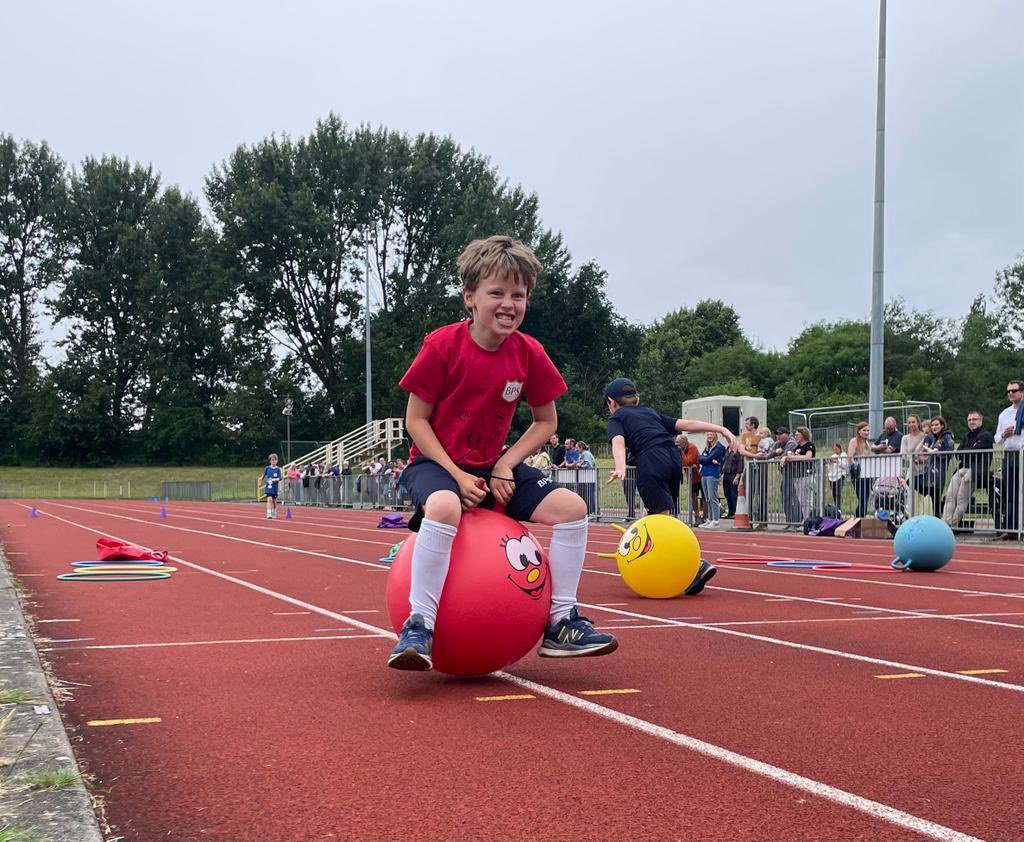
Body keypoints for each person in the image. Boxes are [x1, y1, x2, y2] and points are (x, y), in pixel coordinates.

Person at [388, 235, 618, 671]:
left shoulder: (529, 353)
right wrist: (457, 477)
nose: (509, 303)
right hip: (436, 465)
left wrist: (507, 463)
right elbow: (415, 421)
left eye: (519, 294)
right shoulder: (442, 345)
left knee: (571, 507)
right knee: (443, 505)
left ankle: (561, 622)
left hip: (493, 468)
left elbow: (546, 422)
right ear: (470, 297)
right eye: (497, 292)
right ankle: (419, 624)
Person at [605, 377, 738, 594]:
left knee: (661, 520)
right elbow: (687, 425)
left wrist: (620, 466)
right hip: (673, 458)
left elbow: (618, 442)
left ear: (611, 402)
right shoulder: (651, 413)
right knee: (661, 517)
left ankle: (694, 565)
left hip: (651, 460)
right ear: (637, 400)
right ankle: (679, 566)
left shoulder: (617, 417)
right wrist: (721, 429)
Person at [943, 410, 994, 528]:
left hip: (976, 470)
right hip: (961, 469)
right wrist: (970, 450)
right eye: (969, 420)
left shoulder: (986, 436)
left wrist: (968, 451)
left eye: (974, 419)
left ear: (981, 421)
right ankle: (944, 523)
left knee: (962, 499)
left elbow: (969, 452)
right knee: (950, 496)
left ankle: (952, 524)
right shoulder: (966, 436)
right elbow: (959, 454)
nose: (972, 422)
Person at [996, 379, 1024, 540]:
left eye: (1014, 390)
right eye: (1008, 391)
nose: (1010, 393)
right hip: (1009, 455)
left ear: (1022, 392)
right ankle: (1012, 528)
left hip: (1022, 453)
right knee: (1011, 493)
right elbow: (997, 438)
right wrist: (1003, 435)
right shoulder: (1004, 414)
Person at [919, 416, 954, 518]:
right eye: (932, 425)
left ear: (942, 425)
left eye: (936, 425)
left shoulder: (946, 436)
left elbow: (949, 451)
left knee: (936, 495)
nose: (934, 427)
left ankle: (937, 517)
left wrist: (935, 452)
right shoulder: (934, 437)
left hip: (940, 471)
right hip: (931, 469)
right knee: (931, 493)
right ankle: (939, 511)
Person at [781, 427, 817, 521]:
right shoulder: (797, 447)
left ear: (803, 435)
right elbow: (790, 455)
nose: (795, 437)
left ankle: (810, 520)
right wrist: (785, 458)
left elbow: (808, 457)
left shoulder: (809, 445)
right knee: (802, 500)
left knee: (808, 500)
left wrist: (793, 457)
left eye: (797, 435)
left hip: (807, 475)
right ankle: (806, 520)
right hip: (798, 475)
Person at [770, 427, 800, 527]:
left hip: (795, 474)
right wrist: (775, 453)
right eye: (777, 434)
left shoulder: (791, 443)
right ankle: (789, 520)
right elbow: (768, 455)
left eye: (780, 434)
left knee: (793, 498)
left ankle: (795, 521)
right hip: (786, 474)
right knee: (784, 498)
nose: (778, 436)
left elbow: (783, 457)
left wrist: (776, 457)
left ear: (786, 434)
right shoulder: (777, 444)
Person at [697, 431, 727, 529]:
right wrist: (706, 459)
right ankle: (709, 519)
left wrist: (706, 459)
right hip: (704, 473)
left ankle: (715, 520)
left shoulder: (717, 447)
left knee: (712, 497)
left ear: (715, 435)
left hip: (712, 474)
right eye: (708, 435)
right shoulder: (707, 447)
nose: (709, 436)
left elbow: (706, 459)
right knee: (707, 498)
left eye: (711, 434)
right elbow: (700, 458)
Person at [847, 422, 873, 517]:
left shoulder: (867, 443)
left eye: (867, 430)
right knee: (862, 498)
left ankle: (861, 517)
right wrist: (855, 465)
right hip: (858, 474)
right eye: (864, 430)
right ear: (859, 431)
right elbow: (850, 457)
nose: (866, 432)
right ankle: (858, 517)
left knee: (865, 498)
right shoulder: (854, 441)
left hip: (867, 474)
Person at [676, 433, 702, 523]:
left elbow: (688, 462)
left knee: (706, 497)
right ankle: (697, 516)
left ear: (684, 442)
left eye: (678, 442)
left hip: (699, 475)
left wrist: (681, 452)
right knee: (693, 496)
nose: (677, 444)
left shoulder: (692, 447)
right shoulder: (681, 448)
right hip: (691, 477)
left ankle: (705, 517)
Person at [825, 443, 848, 511]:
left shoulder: (844, 455)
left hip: (840, 476)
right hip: (832, 477)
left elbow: (845, 466)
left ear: (840, 448)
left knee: (838, 492)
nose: (835, 450)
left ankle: (839, 508)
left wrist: (838, 461)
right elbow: (829, 468)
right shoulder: (833, 456)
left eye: (836, 449)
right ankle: (836, 507)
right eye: (834, 449)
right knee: (834, 493)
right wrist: (830, 463)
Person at [262, 453, 282, 519]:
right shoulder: (267, 468)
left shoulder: (278, 469)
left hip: (275, 487)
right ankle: (269, 513)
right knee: (269, 499)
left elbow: (280, 478)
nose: (274, 461)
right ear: (270, 461)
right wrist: (260, 482)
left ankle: (274, 511)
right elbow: (263, 476)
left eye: (275, 460)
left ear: (277, 461)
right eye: (272, 460)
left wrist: (275, 479)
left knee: (274, 501)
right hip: (268, 487)